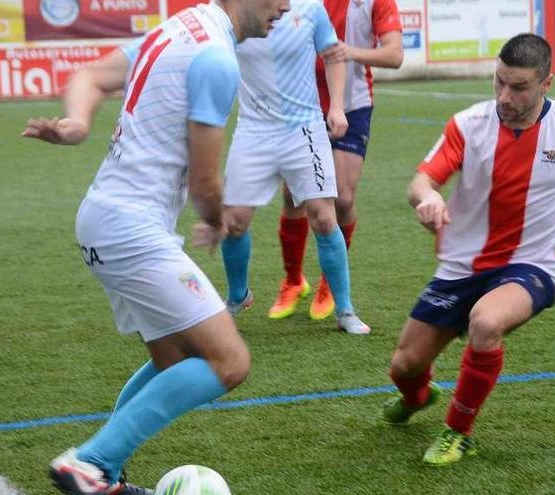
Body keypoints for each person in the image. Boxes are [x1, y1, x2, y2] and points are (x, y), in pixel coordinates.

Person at [21, 0, 290, 492]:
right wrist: (219, 219)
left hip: (107, 220)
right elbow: (207, 183)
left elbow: (92, 76)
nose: (286, 7)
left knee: (174, 360)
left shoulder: (179, 29)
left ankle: (108, 476)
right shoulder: (215, 57)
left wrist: (77, 124)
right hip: (131, 231)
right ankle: (91, 462)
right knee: (229, 362)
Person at [379, 33, 555, 466]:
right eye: (499, 82)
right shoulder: (468, 124)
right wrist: (427, 198)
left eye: (518, 87)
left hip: (532, 265)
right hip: (462, 265)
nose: (505, 96)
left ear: (546, 84)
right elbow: (422, 180)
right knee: (404, 367)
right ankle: (419, 396)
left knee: (486, 322)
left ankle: (458, 432)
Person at [220, 0, 370, 334]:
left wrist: (336, 107)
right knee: (234, 222)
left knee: (324, 217)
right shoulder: (233, 11)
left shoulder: (311, 8)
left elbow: (332, 55)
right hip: (253, 131)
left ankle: (345, 310)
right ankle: (236, 297)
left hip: (304, 130)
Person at [266, 0, 403, 321]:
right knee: (293, 195)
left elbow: (395, 55)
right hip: (300, 104)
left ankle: (330, 281)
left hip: (352, 105)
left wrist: (350, 52)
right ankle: (292, 280)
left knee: (342, 197)